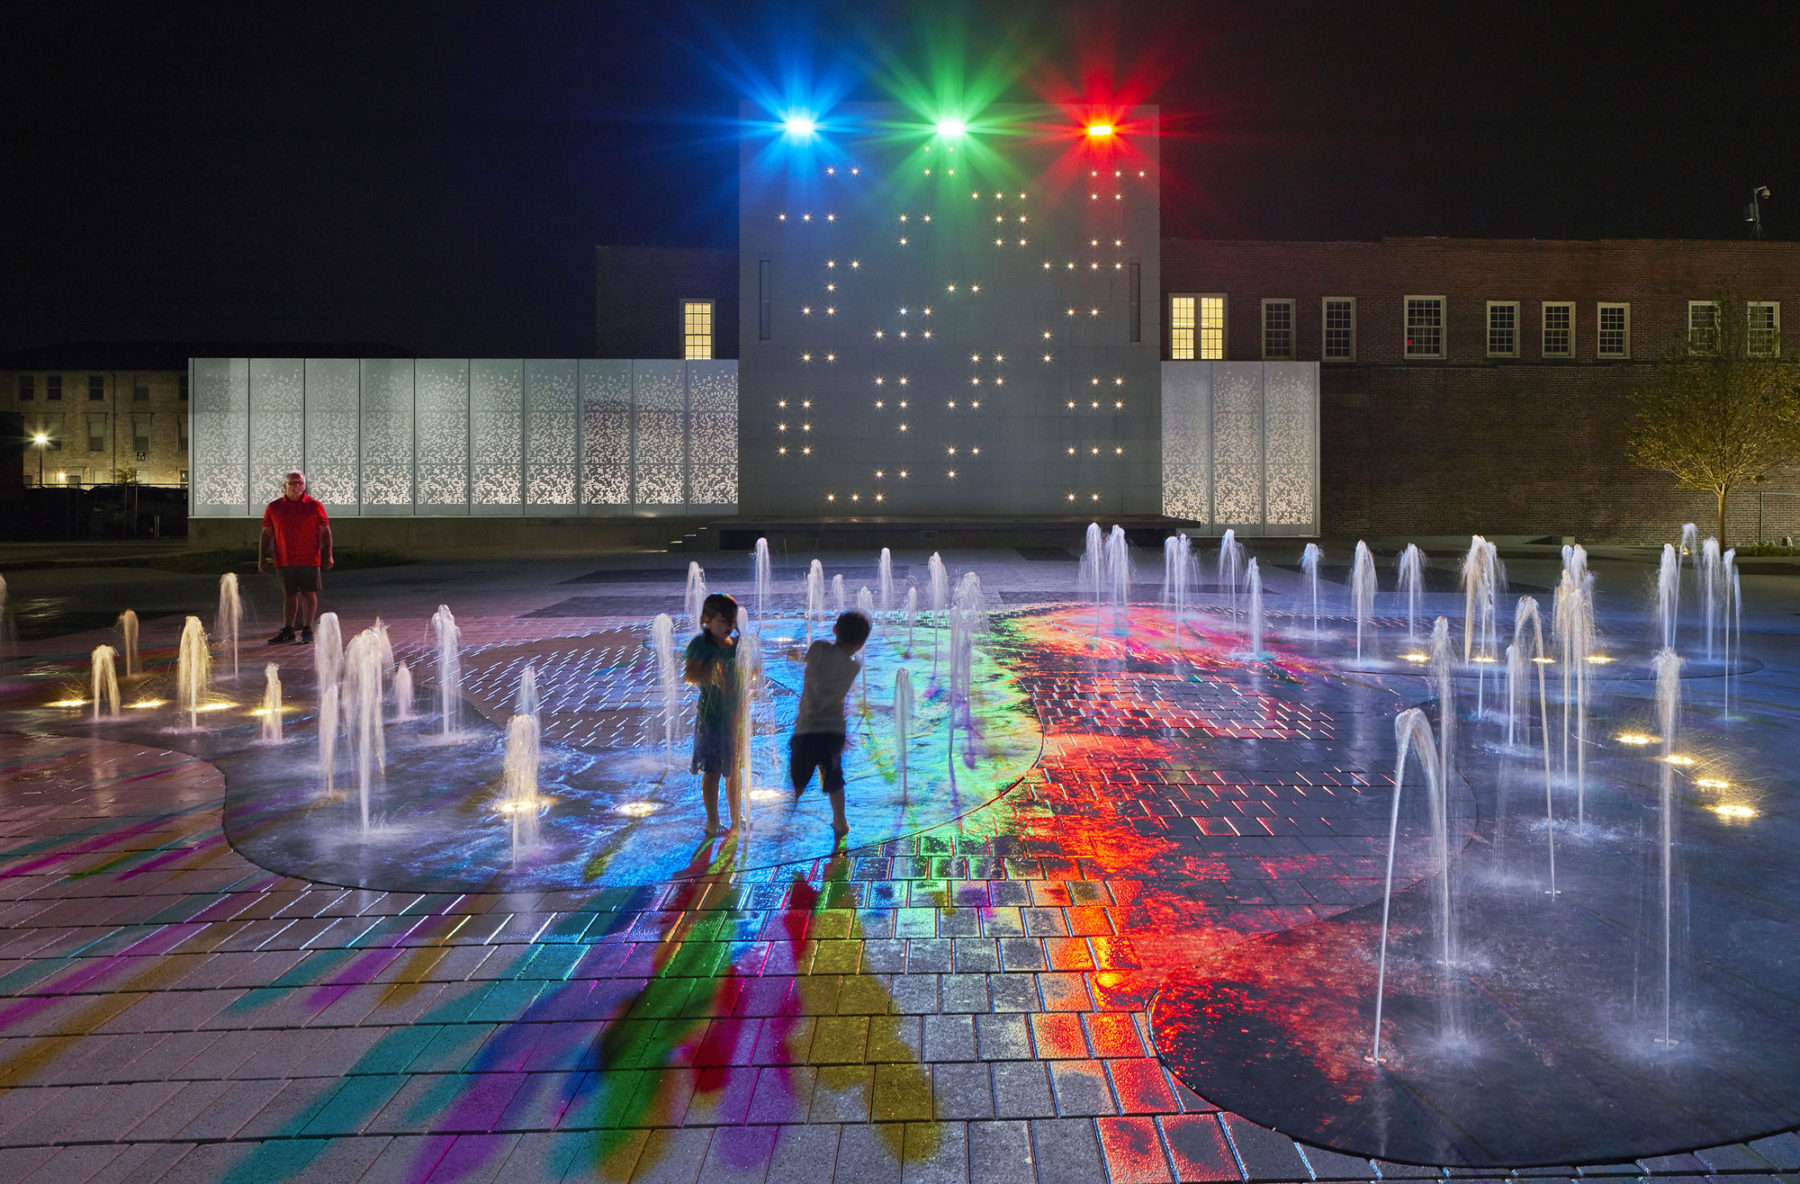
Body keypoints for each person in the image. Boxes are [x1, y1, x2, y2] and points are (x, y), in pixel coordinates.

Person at [789, 610, 870, 840]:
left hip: (808, 726)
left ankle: (793, 804)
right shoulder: (854, 666)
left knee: (799, 769)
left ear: (835, 630)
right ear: (861, 643)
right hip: (835, 729)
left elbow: (802, 658)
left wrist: (793, 654)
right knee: (834, 774)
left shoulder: (819, 649)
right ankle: (840, 820)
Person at [684, 592, 743, 836]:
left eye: (732, 622)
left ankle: (736, 816)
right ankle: (712, 820)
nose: (729, 627)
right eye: (722, 621)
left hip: (735, 719)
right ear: (706, 620)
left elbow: (749, 673)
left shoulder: (738, 644)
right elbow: (690, 675)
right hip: (711, 719)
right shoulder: (701, 645)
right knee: (713, 771)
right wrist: (713, 666)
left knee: (734, 769)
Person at [258, 470, 333, 644]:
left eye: (300, 483)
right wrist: (262, 557)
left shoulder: (314, 506)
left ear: (305, 485)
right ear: (284, 486)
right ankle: (289, 629)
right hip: (284, 558)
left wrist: (328, 554)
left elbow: (325, 532)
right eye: (292, 483)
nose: (296, 486)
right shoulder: (274, 507)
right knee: (289, 595)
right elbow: (266, 534)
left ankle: (307, 629)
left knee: (309, 593)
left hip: (309, 558)